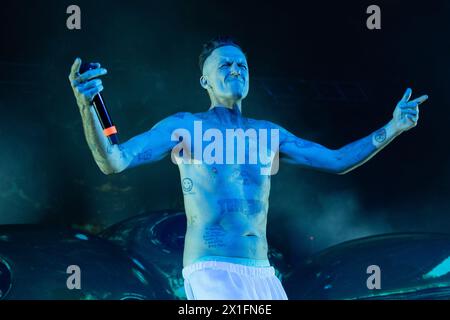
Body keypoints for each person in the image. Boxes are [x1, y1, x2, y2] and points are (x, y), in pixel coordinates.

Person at [68, 36, 428, 300]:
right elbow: (113, 161)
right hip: (212, 271)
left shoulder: (269, 134)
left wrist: (393, 127)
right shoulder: (184, 126)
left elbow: (337, 161)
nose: (236, 69)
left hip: (263, 274)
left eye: (241, 64)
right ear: (204, 81)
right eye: (224, 64)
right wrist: (88, 108)